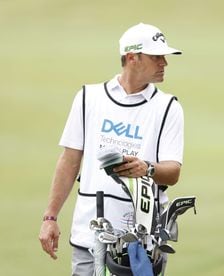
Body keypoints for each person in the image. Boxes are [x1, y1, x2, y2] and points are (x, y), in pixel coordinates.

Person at [39, 22, 184, 275]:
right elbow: (70, 161)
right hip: (89, 233)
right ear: (132, 57)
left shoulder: (168, 107)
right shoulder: (88, 98)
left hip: (142, 241)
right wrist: (50, 217)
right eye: (156, 56)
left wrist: (146, 168)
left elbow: (172, 172)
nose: (164, 62)